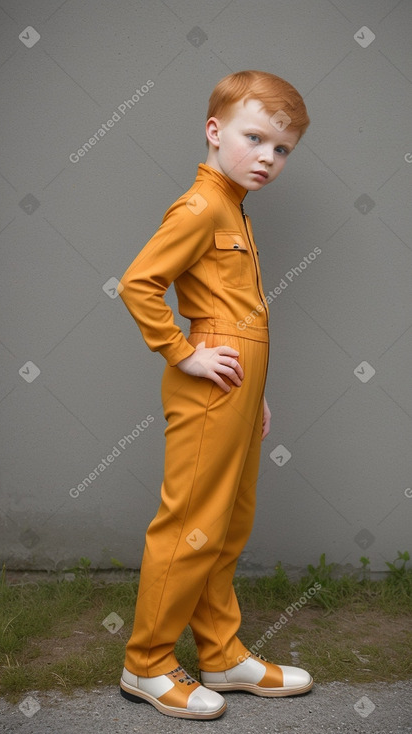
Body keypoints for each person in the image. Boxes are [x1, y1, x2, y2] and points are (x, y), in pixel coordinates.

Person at [116, 70, 312, 720]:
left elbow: (238, 312)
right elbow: (140, 284)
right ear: (213, 131)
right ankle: (145, 664)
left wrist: (252, 396)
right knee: (189, 527)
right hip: (206, 387)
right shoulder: (201, 206)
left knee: (226, 526)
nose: (267, 157)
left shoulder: (233, 207)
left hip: (235, 390)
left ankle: (221, 655)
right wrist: (183, 352)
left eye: (281, 149)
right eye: (254, 138)